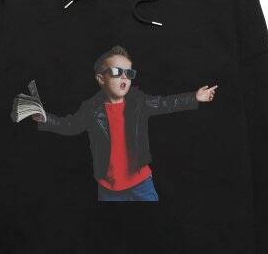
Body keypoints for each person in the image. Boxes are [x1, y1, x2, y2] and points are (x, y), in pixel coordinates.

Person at [33, 45, 217, 201]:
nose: (124, 77)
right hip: (108, 188)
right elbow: (70, 125)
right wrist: (46, 118)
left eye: (128, 73)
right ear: (101, 79)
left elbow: (165, 103)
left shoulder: (139, 102)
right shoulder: (91, 109)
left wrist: (194, 97)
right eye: (116, 72)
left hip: (141, 183)